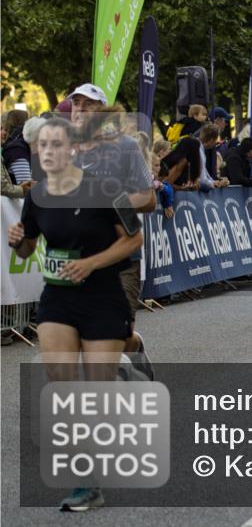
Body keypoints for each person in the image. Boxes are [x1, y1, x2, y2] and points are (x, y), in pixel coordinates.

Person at [7, 117, 144, 511]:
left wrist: (92, 263)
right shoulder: (37, 196)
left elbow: (135, 238)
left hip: (102, 296)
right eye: (42, 146)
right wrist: (19, 240)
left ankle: (129, 355)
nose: (47, 152)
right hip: (59, 298)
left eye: (55, 145)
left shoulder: (105, 189)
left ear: (73, 149)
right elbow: (27, 248)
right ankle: (87, 482)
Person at [70, 85, 154, 377]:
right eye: (76, 104)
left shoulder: (126, 147)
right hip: (80, 258)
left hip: (122, 255)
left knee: (112, 334)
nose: (79, 109)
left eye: (88, 104)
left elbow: (148, 198)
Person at [2, 109, 32, 185]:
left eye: (4, 128)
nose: (4, 132)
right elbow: (26, 185)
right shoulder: (17, 149)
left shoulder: (17, 147)